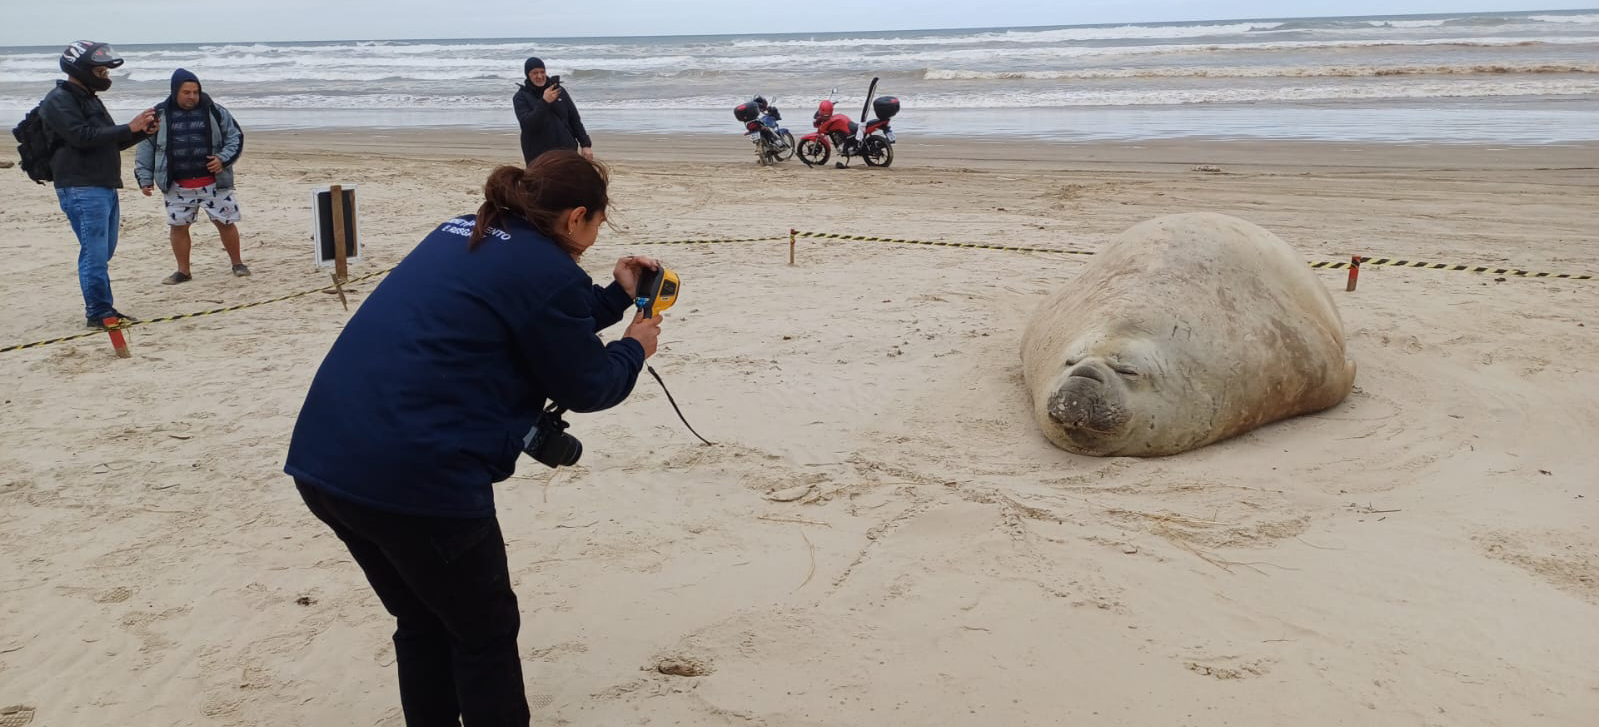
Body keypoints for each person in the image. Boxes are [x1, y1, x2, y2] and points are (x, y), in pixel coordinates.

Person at [284, 151, 662, 726]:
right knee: (484, 634)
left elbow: (540, 314)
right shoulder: (546, 270)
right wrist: (635, 344)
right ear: (576, 216)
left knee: (423, 622)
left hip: (326, 459)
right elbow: (589, 384)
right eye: (597, 225)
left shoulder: (463, 233)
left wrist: (616, 295)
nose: (594, 237)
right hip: (418, 478)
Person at [38, 40, 157, 329]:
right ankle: (100, 312)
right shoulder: (59, 99)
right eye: (101, 71)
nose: (106, 76)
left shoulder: (88, 98)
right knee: (94, 253)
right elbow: (82, 136)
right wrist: (129, 127)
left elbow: (107, 141)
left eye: (106, 71)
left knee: (103, 251)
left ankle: (101, 308)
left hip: (102, 184)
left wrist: (141, 132)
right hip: (81, 186)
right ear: (83, 69)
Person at [135, 68, 249, 284]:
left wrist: (222, 159)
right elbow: (145, 148)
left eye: (195, 92)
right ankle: (183, 271)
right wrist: (145, 178)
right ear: (175, 91)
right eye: (186, 92)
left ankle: (238, 263)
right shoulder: (158, 115)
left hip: (215, 183)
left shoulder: (215, 111)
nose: (192, 97)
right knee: (178, 227)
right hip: (177, 185)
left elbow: (235, 137)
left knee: (225, 223)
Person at [512, 57, 593, 165]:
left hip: (566, 150)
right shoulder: (520, 97)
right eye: (535, 73)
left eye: (542, 72)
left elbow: (574, 119)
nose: (540, 76)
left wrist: (585, 144)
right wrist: (544, 102)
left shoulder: (558, 90)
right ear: (528, 74)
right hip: (538, 156)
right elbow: (528, 125)